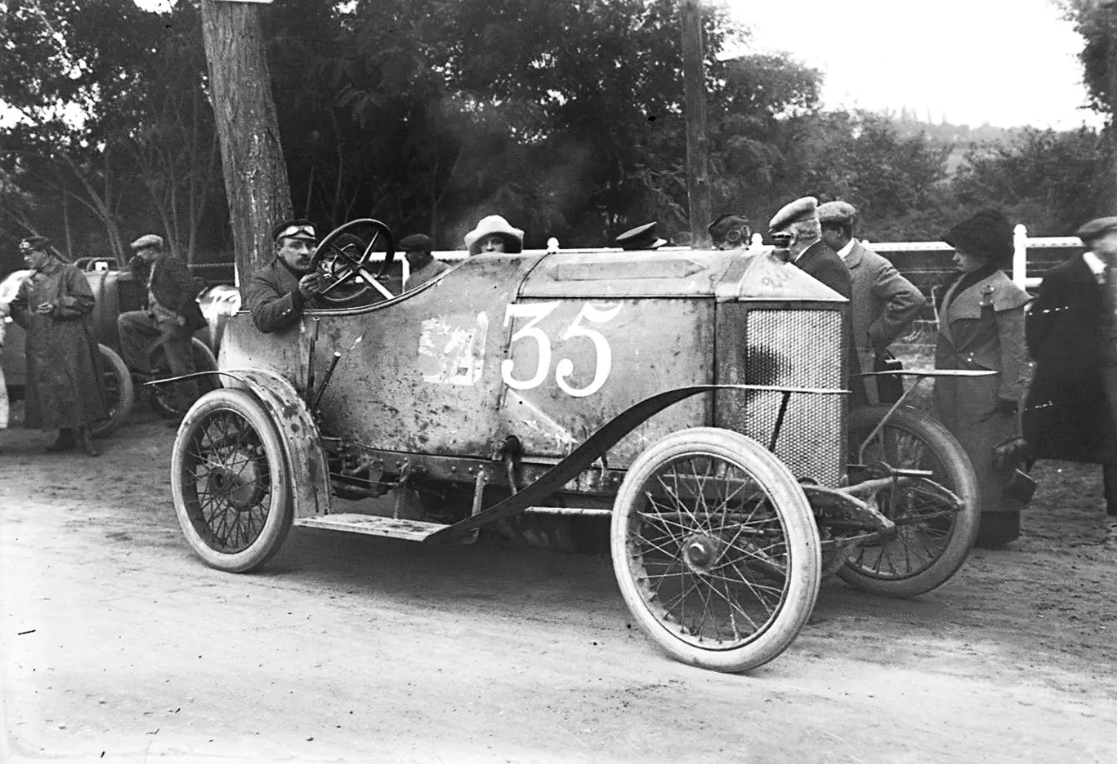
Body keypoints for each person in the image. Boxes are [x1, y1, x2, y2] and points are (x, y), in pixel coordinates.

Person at [934, 209, 1030, 546]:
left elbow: (1014, 350)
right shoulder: (957, 284)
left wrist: (1010, 394)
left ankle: (989, 527)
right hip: (952, 386)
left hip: (986, 393)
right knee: (947, 453)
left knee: (985, 462)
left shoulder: (1004, 291)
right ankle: (947, 518)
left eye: (962, 251)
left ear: (984, 254)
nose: (955, 256)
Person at [1023, 216, 1117, 521]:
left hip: (1100, 376)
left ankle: (1114, 506)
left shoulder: (1110, 276)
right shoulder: (1063, 276)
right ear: (1096, 241)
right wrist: (1052, 362)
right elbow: (1037, 323)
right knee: (1034, 438)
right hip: (1062, 377)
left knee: (1111, 437)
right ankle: (1002, 499)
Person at [818, 201, 926, 403]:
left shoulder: (872, 265)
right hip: (826, 361)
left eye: (821, 232)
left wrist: (874, 335)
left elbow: (912, 299)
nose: (817, 239)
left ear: (838, 232)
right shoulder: (822, 263)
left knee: (863, 419)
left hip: (859, 364)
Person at [8, 236, 106, 456]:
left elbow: (86, 301)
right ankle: (65, 435)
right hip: (42, 342)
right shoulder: (30, 280)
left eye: (30, 253)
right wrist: (32, 321)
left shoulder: (70, 272)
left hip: (69, 339)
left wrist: (56, 306)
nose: (27, 258)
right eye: (24, 254)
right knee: (51, 388)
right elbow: (16, 306)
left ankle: (86, 436)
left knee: (76, 385)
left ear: (45, 252)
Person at [768, 196, 864, 402]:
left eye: (780, 239)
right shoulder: (814, 260)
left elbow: (827, 328)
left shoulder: (824, 265)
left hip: (828, 377)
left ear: (792, 236)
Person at [117, 234, 207, 422]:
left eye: (142, 250)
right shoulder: (152, 268)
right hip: (155, 317)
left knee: (181, 369)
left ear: (152, 249)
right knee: (125, 321)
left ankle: (190, 416)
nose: (139, 254)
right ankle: (141, 370)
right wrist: (135, 268)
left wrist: (181, 313)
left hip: (173, 320)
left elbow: (191, 287)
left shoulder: (170, 263)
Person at [246, 218, 324, 333]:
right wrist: (298, 296)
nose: (305, 252)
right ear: (279, 250)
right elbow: (263, 318)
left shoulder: (323, 275)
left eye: (309, 245)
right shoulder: (264, 278)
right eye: (296, 246)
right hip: (284, 348)